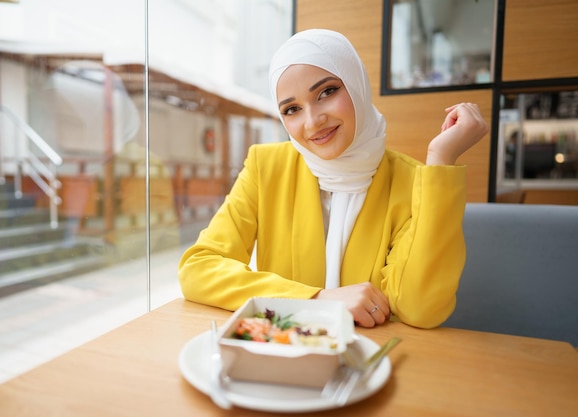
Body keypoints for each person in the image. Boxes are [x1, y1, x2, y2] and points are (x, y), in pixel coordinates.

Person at [178, 29, 488, 329]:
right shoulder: (266, 167)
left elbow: (420, 309)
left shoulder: (412, 181)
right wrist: (316, 298)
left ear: (356, 85)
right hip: (287, 353)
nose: (313, 122)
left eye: (327, 92)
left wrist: (441, 161)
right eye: (292, 109)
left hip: (369, 362)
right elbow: (199, 269)